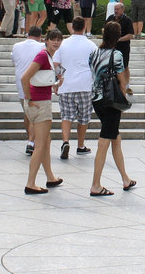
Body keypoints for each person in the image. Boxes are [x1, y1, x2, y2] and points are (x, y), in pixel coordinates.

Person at [87, 21, 135, 197]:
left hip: (97, 99)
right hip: (111, 101)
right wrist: (122, 103)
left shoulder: (94, 53)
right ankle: (96, 185)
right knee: (104, 141)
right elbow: (122, 82)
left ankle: (125, 178)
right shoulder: (117, 55)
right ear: (117, 36)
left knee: (115, 137)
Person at [20, 30, 65, 194]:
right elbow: (25, 77)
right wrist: (29, 99)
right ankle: (30, 183)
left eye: (59, 39)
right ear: (46, 40)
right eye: (53, 39)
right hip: (39, 103)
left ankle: (50, 177)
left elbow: (42, 81)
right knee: (40, 145)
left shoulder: (47, 57)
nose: (56, 42)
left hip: (39, 101)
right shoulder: (42, 55)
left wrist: (57, 84)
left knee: (46, 141)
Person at [52, 16, 95, 159]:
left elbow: (56, 63)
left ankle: (65, 141)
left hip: (67, 85)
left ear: (72, 27)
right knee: (84, 117)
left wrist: (59, 78)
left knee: (66, 115)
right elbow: (95, 66)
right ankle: (81, 145)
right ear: (84, 27)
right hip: (85, 84)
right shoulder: (91, 45)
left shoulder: (63, 44)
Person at [11, 26, 45, 155]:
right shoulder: (41, 47)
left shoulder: (16, 46)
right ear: (40, 36)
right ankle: (31, 142)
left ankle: (31, 140)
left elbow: (13, 61)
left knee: (27, 113)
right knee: (35, 115)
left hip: (20, 84)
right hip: (35, 84)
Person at [106, 2, 135, 95]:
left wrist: (119, 39)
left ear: (122, 10)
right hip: (111, 47)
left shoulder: (127, 20)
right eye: (115, 9)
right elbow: (104, 29)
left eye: (118, 9)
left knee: (125, 66)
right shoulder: (110, 18)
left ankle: (127, 86)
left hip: (123, 47)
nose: (116, 11)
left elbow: (131, 34)